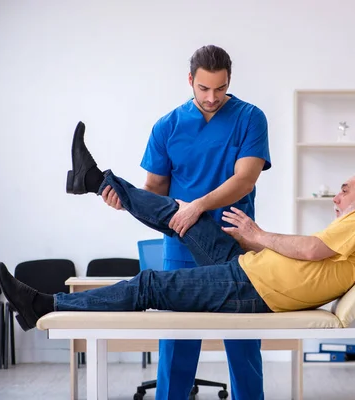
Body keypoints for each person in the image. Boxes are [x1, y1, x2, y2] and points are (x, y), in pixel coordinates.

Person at [0, 129, 355, 335]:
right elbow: (311, 254)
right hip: (250, 266)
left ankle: (45, 306)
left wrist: (258, 236)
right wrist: (254, 241)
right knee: (182, 214)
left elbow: (311, 250)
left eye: (346, 189)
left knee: (149, 285)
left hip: (253, 287)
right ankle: (94, 179)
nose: (338, 195)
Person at [78, 44, 271, 400]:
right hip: (182, 245)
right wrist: (123, 203)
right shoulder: (167, 126)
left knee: (244, 349)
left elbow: (245, 179)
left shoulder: (250, 118)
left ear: (230, 81)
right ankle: (98, 183)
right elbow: (154, 191)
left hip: (235, 243)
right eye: (203, 88)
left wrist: (197, 205)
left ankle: (91, 178)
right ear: (190, 81)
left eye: (220, 88)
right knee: (176, 350)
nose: (212, 97)